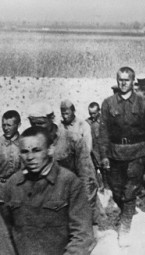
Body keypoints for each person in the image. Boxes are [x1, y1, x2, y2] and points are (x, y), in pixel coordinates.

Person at [0, 126, 94, 255]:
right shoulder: (12, 184)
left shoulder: (69, 182)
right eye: (24, 152)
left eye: (36, 150)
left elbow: (82, 235)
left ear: (50, 150)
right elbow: (5, 232)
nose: (30, 157)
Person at [100, 66, 145, 246]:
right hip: (115, 152)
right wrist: (104, 155)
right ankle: (127, 212)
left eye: (127, 80)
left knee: (130, 190)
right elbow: (103, 132)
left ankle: (124, 229)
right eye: (120, 80)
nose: (123, 83)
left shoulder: (143, 102)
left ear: (133, 81)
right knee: (116, 191)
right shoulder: (108, 103)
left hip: (137, 152)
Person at [28, 102, 99, 237]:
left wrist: (82, 212)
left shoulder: (73, 139)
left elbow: (87, 178)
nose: (37, 128)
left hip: (72, 204)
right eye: (33, 124)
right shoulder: (30, 144)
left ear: (52, 118)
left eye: (41, 123)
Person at [0, 110, 22, 194]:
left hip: (18, 189)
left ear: (18, 125)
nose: (6, 128)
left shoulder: (24, 143)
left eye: (9, 125)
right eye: (3, 125)